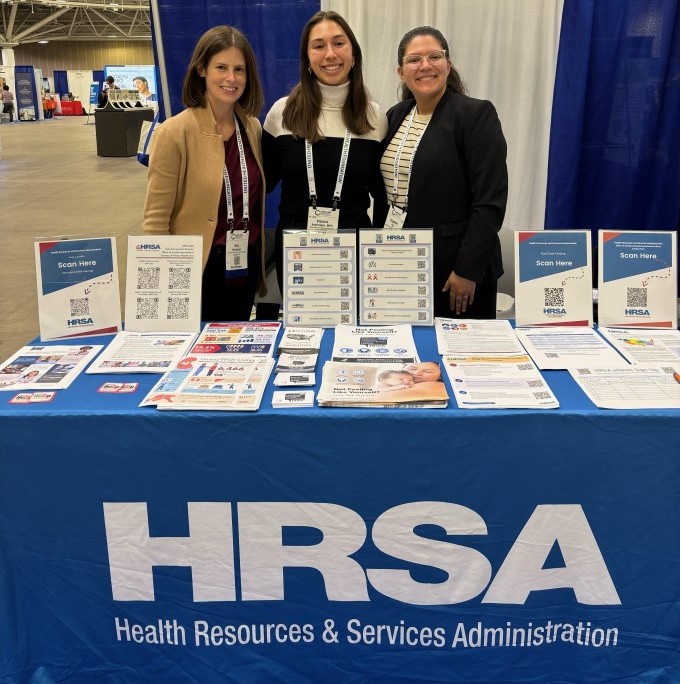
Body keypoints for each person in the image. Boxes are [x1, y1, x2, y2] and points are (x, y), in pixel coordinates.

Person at [375, 26, 508, 320]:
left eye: (434, 56)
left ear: (447, 65)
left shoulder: (475, 115)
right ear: (400, 72)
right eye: (414, 60)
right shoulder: (395, 116)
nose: (425, 65)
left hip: (455, 272)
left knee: (459, 360)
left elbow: (489, 201)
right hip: (401, 263)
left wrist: (467, 269)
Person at [142, 25, 267, 322]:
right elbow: (156, 219)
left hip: (243, 266)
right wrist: (164, 284)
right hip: (195, 270)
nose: (231, 78)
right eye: (221, 67)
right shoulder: (175, 132)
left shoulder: (251, 128)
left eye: (239, 69)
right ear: (201, 70)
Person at [263, 10, 388, 296]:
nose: (330, 54)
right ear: (307, 59)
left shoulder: (375, 118)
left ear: (353, 54)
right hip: (297, 250)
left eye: (339, 43)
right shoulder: (281, 113)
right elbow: (264, 184)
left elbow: (382, 194)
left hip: (355, 247)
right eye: (318, 46)